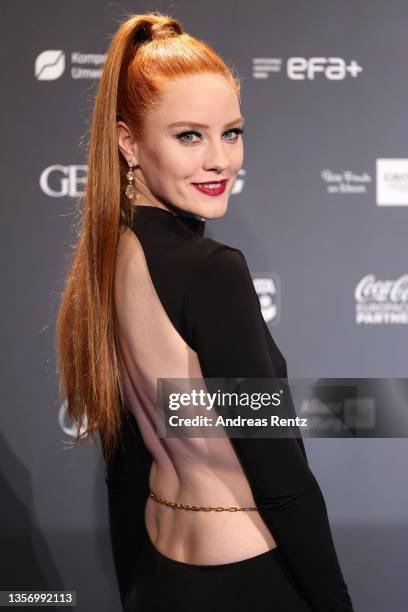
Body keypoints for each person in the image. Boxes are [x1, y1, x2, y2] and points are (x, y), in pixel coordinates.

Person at [56, 12, 355, 612]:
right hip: (245, 578)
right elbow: (282, 479)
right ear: (128, 142)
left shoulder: (109, 258)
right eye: (189, 135)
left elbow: (124, 466)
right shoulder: (212, 271)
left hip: (160, 571)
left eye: (233, 133)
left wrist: (134, 590)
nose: (220, 160)